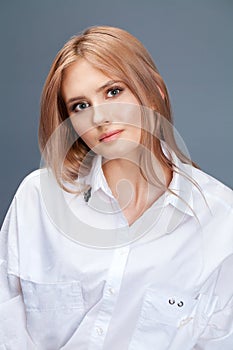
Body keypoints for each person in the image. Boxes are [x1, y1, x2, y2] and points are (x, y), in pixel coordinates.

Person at [0, 25, 233, 350]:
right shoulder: (37, 198)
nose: (100, 117)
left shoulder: (221, 222)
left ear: (154, 92)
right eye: (80, 106)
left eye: (113, 91)